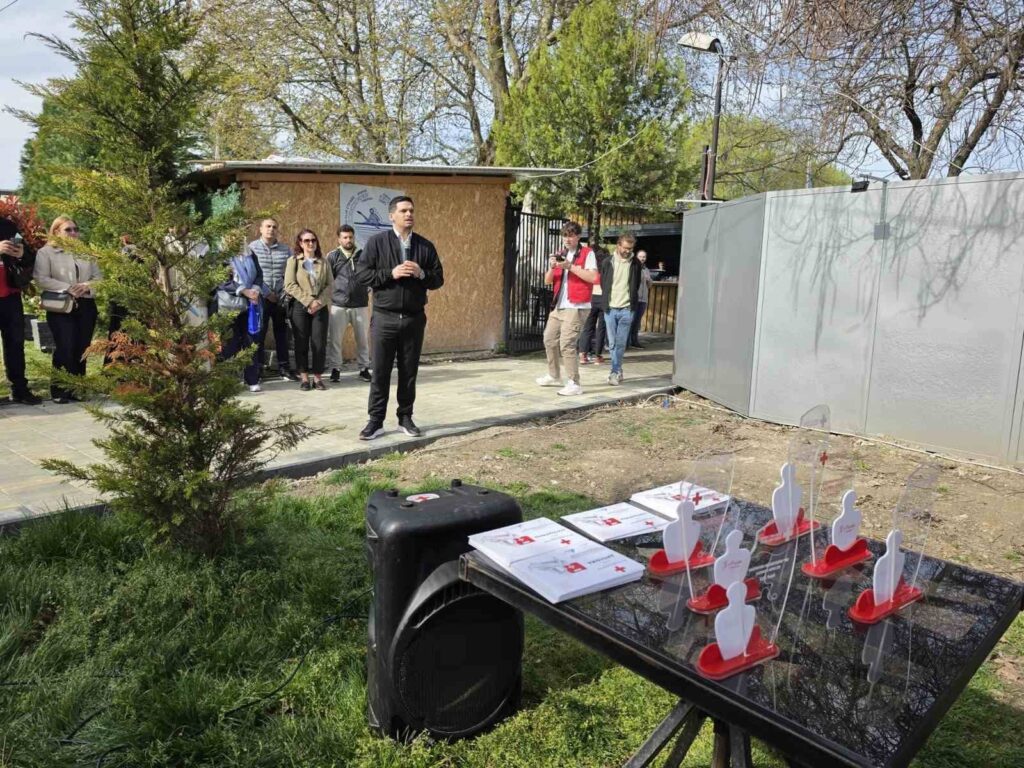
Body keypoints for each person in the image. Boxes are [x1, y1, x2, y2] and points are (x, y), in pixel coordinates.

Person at [355, 195, 444, 440]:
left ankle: (405, 418)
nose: (409, 214)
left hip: (414, 319)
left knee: (408, 372)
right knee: (380, 372)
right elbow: (362, 275)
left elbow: (438, 279)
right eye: (403, 211)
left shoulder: (425, 246)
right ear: (391, 215)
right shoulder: (376, 243)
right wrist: (390, 273)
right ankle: (376, 421)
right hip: (384, 318)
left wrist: (421, 273)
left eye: (411, 210)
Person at [33, 217, 102, 403]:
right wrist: (67, 287)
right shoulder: (46, 252)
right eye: (68, 229)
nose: (73, 233)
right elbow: (41, 278)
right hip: (61, 305)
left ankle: (78, 388)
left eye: (75, 229)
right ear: (56, 232)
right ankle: (60, 390)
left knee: (82, 348)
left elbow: (99, 278)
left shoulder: (86, 252)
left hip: (86, 304)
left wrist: (87, 286)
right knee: (65, 346)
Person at [536, 221, 598, 396]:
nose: (567, 239)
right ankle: (554, 375)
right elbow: (548, 281)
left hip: (577, 306)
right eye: (565, 236)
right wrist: (552, 266)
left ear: (578, 237)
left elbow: (593, 277)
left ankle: (574, 383)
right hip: (559, 306)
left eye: (571, 236)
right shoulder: (560, 253)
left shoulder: (587, 253)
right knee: (549, 339)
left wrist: (570, 267)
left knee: (567, 344)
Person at [247, 218, 295, 380]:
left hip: (281, 298)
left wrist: (285, 292)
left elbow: (291, 272)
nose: (271, 229)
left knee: (282, 334)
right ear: (260, 229)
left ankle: (284, 368)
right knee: (259, 333)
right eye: (268, 226)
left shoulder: (286, 250)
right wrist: (267, 293)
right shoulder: (252, 248)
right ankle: (258, 368)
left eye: (274, 227)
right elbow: (252, 274)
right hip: (260, 298)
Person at [284, 229, 332, 390]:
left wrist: (318, 302)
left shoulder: (324, 262)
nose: (310, 243)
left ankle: (317, 378)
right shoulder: (293, 261)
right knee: (301, 343)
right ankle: (304, 377)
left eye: (313, 240)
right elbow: (289, 285)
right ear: (300, 243)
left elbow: (330, 285)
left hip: (320, 305)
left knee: (319, 343)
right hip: (300, 306)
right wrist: (309, 302)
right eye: (306, 240)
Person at [0, 215, 41, 404]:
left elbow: (29, 258)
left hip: (10, 295)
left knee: (15, 343)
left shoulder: (7, 225)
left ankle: (19, 389)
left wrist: (21, 254)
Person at [217, 246, 268, 392]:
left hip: (250, 304)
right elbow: (221, 279)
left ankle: (252, 379)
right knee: (230, 344)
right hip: (229, 305)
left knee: (251, 341)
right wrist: (244, 291)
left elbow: (259, 274)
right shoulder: (221, 254)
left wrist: (255, 290)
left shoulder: (250, 253)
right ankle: (230, 380)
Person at [325, 224, 371, 383]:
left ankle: (364, 369)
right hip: (339, 305)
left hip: (360, 304)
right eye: (345, 237)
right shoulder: (332, 256)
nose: (348, 240)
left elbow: (369, 274)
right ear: (339, 239)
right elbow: (327, 279)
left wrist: (368, 288)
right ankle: (335, 369)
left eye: (350, 237)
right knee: (335, 340)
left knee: (363, 339)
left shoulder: (363, 255)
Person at [599, 233, 642, 385]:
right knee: (612, 343)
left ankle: (614, 372)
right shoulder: (607, 262)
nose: (627, 251)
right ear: (618, 245)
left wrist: (631, 303)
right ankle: (617, 370)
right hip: (610, 308)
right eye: (625, 248)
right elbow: (603, 283)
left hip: (627, 309)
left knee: (621, 342)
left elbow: (636, 284)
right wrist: (607, 301)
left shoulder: (636, 263)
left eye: (630, 248)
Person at [578, 244, 608, 365]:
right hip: (603, 298)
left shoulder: (589, 268)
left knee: (587, 327)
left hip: (590, 298)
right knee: (601, 328)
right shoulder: (607, 267)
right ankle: (597, 356)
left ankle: (583, 355)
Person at [628, 249, 653, 348]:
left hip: (643, 299)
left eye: (644, 257)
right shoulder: (633, 267)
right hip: (635, 298)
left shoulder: (646, 269)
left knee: (637, 321)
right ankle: (627, 342)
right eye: (640, 256)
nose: (642, 258)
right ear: (636, 257)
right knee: (631, 320)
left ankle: (635, 341)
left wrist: (649, 280)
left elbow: (649, 285)